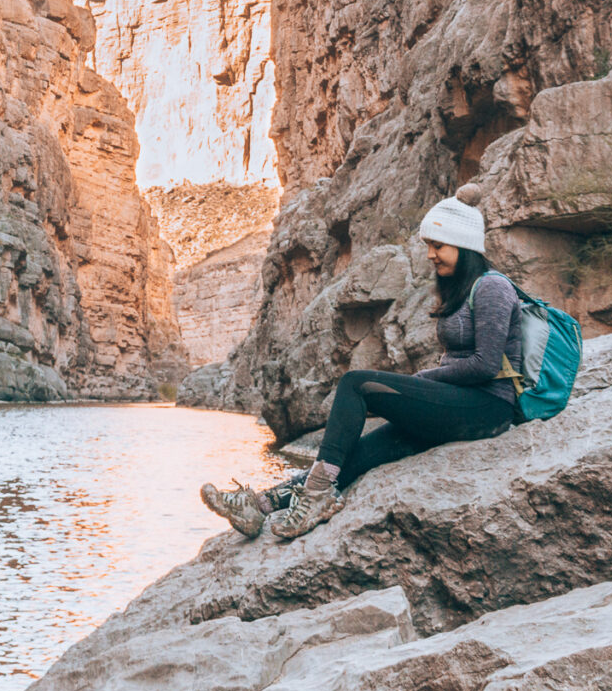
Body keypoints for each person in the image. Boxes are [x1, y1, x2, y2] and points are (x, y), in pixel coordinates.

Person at [200, 190, 525, 542]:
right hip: (458, 402)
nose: (430, 254)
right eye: (430, 245)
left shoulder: (493, 288)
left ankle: (316, 497)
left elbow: (486, 365)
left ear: (464, 246)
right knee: (358, 454)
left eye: (439, 246)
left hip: (488, 408)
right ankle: (261, 505)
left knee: (356, 383)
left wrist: (425, 378)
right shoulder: (462, 288)